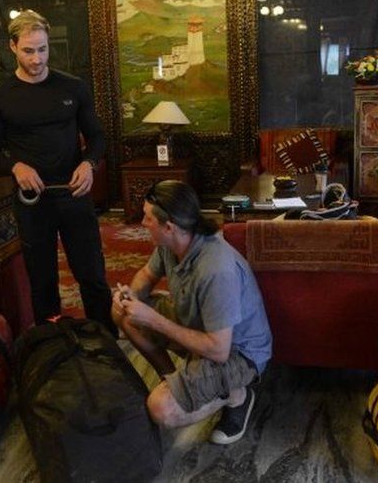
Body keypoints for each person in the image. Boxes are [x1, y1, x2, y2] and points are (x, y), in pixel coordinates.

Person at [0, 10, 112, 333]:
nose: (37, 59)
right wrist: (15, 165)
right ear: (12, 47)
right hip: (32, 202)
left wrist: (89, 163)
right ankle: (52, 343)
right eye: (28, 50)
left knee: (92, 274)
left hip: (74, 194)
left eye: (42, 49)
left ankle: (106, 337)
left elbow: (97, 137)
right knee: (42, 279)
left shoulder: (74, 88)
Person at [112, 180, 272, 445]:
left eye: (147, 217)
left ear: (169, 226)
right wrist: (130, 296)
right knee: (123, 314)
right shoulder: (171, 242)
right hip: (201, 329)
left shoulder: (215, 269)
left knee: (160, 409)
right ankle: (178, 381)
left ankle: (237, 396)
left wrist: (154, 320)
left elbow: (219, 350)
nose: (142, 223)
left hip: (238, 353)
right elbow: (146, 275)